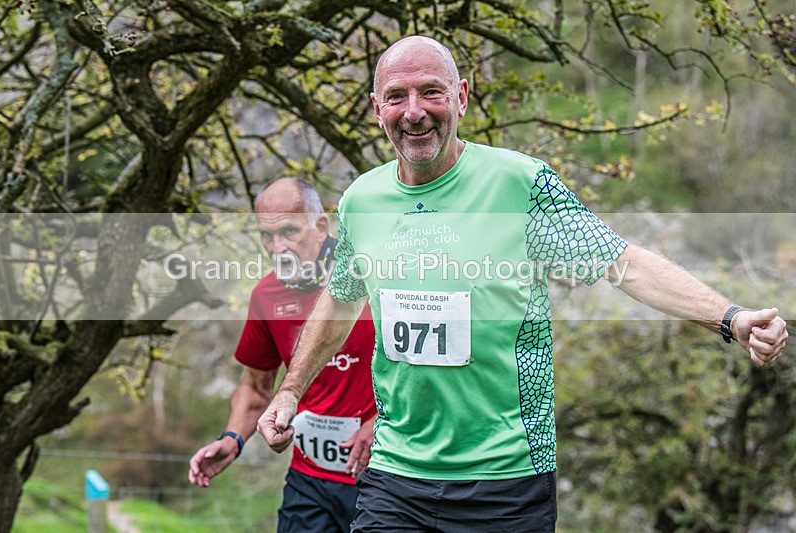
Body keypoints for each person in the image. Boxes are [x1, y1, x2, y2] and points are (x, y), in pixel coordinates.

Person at [257, 37, 789, 532]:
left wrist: (731, 318)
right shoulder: (361, 200)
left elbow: (622, 262)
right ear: (378, 109)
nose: (413, 110)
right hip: (396, 475)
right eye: (396, 96)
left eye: (431, 92)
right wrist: (289, 390)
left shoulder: (521, 185)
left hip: (507, 479)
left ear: (461, 97)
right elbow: (341, 300)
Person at [188, 178, 377, 533]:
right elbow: (257, 388)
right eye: (266, 236)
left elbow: (423, 366)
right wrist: (232, 439)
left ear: (321, 225)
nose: (278, 248)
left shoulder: (370, 276)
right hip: (310, 479)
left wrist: (377, 422)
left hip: (379, 476)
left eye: (289, 231)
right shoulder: (267, 296)